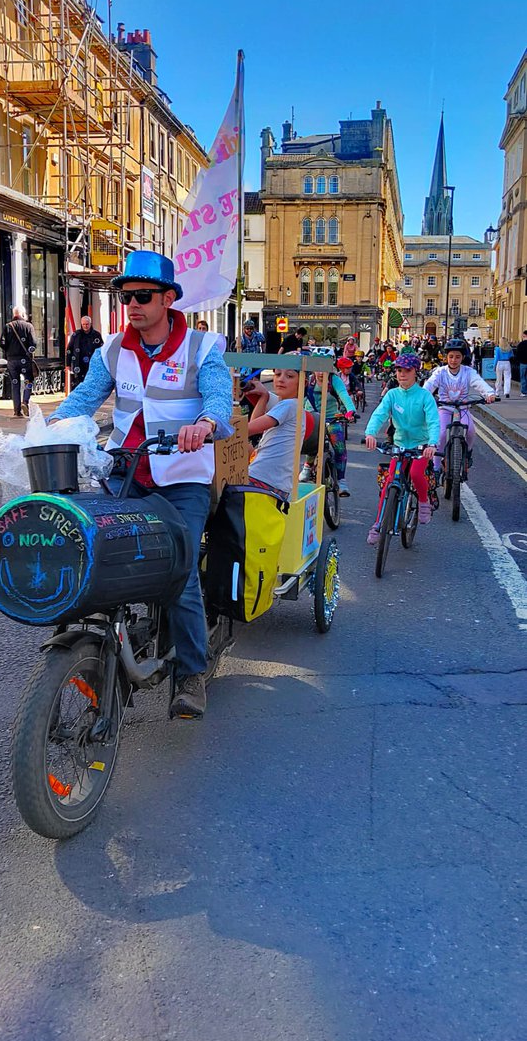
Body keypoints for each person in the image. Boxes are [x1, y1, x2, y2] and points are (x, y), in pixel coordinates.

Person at [50, 250, 233, 719]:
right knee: (89, 548)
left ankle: (191, 672)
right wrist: (46, 430)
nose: (132, 304)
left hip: (182, 479)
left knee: (180, 570)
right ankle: (97, 653)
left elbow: (218, 398)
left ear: (169, 299)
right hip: (125, 472)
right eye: (126, 295)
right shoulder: (111, 349)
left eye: (143, 295)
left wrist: (207, 423)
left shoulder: (202, 346)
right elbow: (83, 400)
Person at [364, 353, 439, 544]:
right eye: (399, 370)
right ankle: (378, 524)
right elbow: (379, 414)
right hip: (399, 445)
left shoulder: (425, 396)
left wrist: (432, 444)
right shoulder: (392, 395)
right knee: (389, 481)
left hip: (421, 446)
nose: (402, 374)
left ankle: (423, 502)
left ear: (416, 372)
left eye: (407, 370)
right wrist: (370, 434)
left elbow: (433, 422)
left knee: (415, 473)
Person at [423, 338, 496, 472]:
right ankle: (436, 466)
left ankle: (467, 454)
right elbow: (429, 385)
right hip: (444, 408)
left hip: (462, 408)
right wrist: (422, 396)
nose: (454, 360)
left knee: (470, 430)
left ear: (463, 358)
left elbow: (479, 383)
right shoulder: (440, 372)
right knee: (441, 434)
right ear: (446, 357)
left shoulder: (468, 372)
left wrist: (489, 394)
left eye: (457, 357)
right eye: (451, 357)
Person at [243, 367, 304, 501]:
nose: (281, 379)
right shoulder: (292, 405)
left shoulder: (289, 405)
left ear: (302, 382)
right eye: (277, 374)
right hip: (273, 480)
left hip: (264, 478)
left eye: (289, 376)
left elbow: (249, 429)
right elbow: (254, 425)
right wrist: (264, 396)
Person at [300, 367, 356, 496]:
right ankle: (307, 466)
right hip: (312, 417)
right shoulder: (309, 380)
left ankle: (341, 480)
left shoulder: (334, 380)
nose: (320, 372)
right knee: (311, 442)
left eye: (323, 369)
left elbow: (344, 395)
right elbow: (301, 397)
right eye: (317, 368)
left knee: (340, 447)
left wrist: (350, 410)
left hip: (332, 418)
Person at [0, 305, 37, 417]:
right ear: (23, 314)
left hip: (11, 360)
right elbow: (34, 343)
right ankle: (25, 401)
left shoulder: (8, 326)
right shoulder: (28, 326)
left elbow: (1, 343)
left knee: (14, 384)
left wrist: (9, 351)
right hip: (25, 359)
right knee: (28, 381)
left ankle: (17, 410)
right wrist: (29, 350)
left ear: (14, 314)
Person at [66, 316, 103, 389]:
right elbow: (69, 349)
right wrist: (68, 365)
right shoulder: (76, 335)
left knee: (91, 384)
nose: (85, 326)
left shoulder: (96, 335)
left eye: (87, 324)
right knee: (78, 385)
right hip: (78, 364)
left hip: (92, 364)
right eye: (83, 324)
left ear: (90, 324)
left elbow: (101, 350)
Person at [515, 330, 527, 397]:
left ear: (524, 336)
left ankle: (524, 392)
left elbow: (518, 354)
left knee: (523, 378)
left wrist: (518, 360)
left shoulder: (521, 344)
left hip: (523, 363)